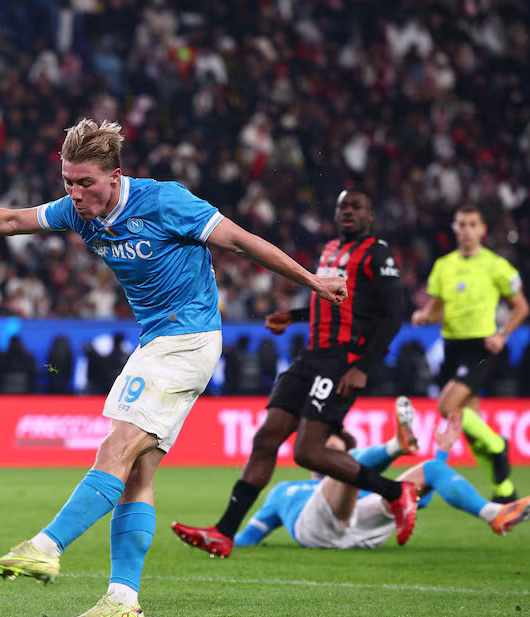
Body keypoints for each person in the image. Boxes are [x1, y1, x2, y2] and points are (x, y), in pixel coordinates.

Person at [0, 118, 347, 617]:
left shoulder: (164, 201)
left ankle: (45, 546)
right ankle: (122, 599)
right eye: (68, 181)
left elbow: (240, 241)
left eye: (85, 182)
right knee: (137, 471)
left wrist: (311, 280)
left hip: (187, 338)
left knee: (116, 447)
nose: (75, 193)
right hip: (159, 342)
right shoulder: (77, 211)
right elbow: (11, 221)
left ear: (114, 176)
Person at [173, 189, 418, 559]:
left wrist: (362, 366)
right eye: (343, 206)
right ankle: (223, 533)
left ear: (370, 215)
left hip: (342, 360)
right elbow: (331, 300)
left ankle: (397, 493)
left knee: (308, 452)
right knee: (266, 439)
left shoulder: (377, 253)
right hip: (311, 356)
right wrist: (296, 316)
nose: (348, 212)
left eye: (356, 207)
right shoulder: (331, 248)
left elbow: (393, 314)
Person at [235, 398, 530, 549]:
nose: (329, 454)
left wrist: (442, 454)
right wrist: (223, 537)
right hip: (316, 530)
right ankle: (396, 446)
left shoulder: (362, 480)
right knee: (351, 471)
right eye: (325, 450)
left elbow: (419, 499)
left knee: (429, 470)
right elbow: (248, 537)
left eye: (335, 450)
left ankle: (494, 513)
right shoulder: (283, 491)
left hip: (362, 529)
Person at [411, 204, 528, 503]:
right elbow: (436, 310)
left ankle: (499, 444)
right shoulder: (443, 266)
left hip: (480, 348)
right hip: (452, 348)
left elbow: (521, 307)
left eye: (472, 224)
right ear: (455, 228)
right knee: (470, 427)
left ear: (482, 230)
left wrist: (502, 335)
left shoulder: (496, 265)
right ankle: (504, 492)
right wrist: (424, 315)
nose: (466, 230)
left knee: (447, 406)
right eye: (461, 224)